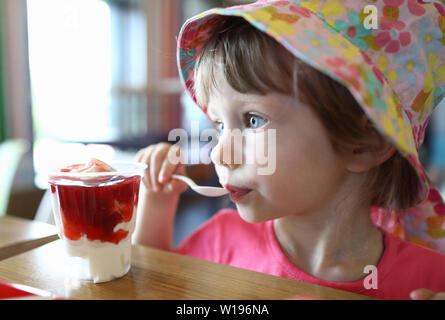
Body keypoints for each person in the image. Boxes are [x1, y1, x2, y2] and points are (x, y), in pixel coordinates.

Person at [133, 0, 445, 300]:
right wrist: (157, 204)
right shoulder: (221, 241)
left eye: (253, 119)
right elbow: (151, 289)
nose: (219, 154)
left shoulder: (432, 280)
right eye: (219, 125)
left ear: (363, 146)